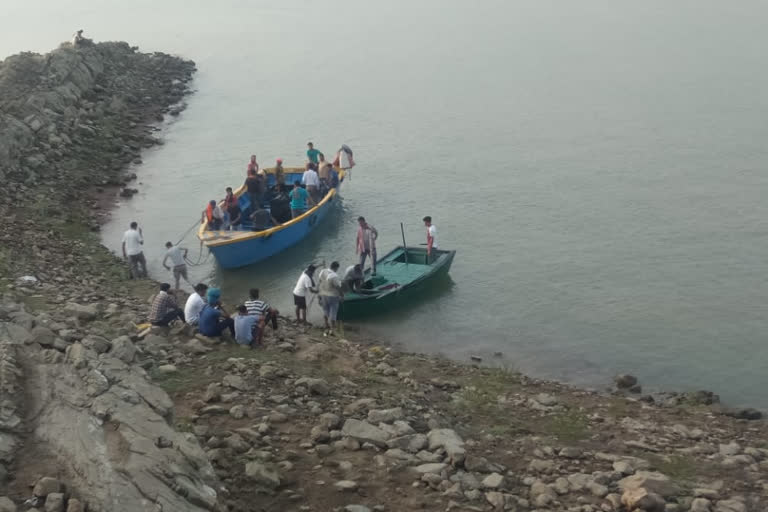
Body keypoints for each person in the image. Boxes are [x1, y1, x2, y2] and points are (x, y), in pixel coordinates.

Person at [317, 261, 344, 334]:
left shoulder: (322, 271)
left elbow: (319, 282)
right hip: (332, 296)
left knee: (325, 310)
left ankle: (326, 325)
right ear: (336, 267)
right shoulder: (334, 276)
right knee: (333, 312)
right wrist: (342, 295)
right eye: (337, 268)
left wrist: (318, 296)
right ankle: (333, 329)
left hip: (323, 294)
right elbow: (338, 287)